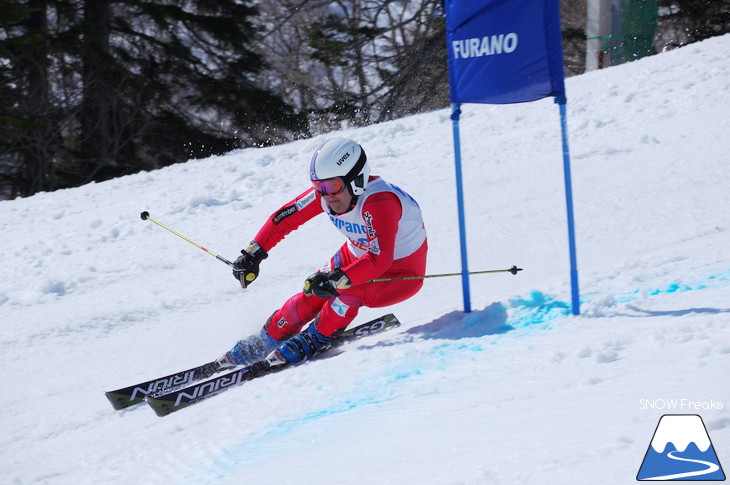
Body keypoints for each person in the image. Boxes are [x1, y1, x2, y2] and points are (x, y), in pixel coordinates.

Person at [217, 137, 428, 367]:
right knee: (311, 292)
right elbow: (284, 218)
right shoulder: (328, 195)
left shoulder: (380, 202)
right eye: (319, 187)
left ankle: (316, 337)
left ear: (356, 179)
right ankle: (267, 339)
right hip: (357, 256)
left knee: (346, 292)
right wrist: (253, 253)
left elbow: (380, 259)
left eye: (332, 186)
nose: (326, 195)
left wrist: (339, 279)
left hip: (399, 274)